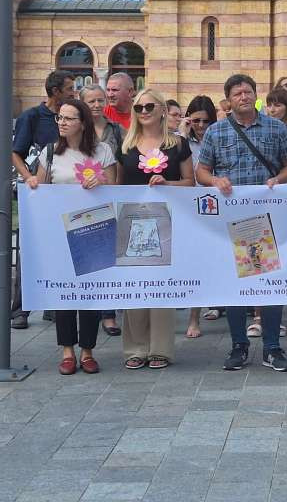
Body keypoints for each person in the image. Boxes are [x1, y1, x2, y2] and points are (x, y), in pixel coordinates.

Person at [197, 74, 287, 372]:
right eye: (238, 93)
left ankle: (271, 347)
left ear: (255, 95)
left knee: (269, 283)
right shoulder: (216, 132)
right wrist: (215, 180)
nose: (244, 96)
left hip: (268, 218)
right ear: (228, 100)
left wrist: (278, 179)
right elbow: (202, 171)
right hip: (231, 221)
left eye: (249, 91)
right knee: (234, 284)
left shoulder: (275, 127)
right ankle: (238, 345)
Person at [116, 89, 195, 369]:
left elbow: (190, 183)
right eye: (138, 108)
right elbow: (116, 186)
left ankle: (160, 348)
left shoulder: (179, 144)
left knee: (161, 285)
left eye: (149, 106)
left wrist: (167, 184)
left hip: (168, 224)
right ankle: (135, 348)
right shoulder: (125, 145)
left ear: (162, 109)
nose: (144, 111)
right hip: (132, 222)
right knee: (135, 285)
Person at [37, 98, 116, 374]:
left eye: (69, 118)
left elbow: (116, 185)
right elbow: (41, 191)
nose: (62, 122)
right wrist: (32, 183)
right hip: (60, 232)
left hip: (94, 231)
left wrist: (102, 181)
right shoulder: (49, 153)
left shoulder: (102, 151)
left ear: (82, 122)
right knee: (65, 293)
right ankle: (67, 349)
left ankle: (88, 349)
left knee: (90, 294)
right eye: (60, 118)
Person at [11, 69, 76, 329]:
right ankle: (20, 310)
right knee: (31, 251)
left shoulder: (71, 117)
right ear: (55, 91)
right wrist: (29, 179)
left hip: (65, 195)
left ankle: (54, 305)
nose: (74, 91)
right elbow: (16, 153)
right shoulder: (32, 117)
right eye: (70, 87)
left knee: (61, 250)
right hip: (40, 195)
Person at [80, 84, 125, 337]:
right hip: (80, 202)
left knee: (107, 257)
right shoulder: (76, 128)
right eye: (91, 101)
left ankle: (108, 315)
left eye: (100, 100)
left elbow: (125, 160)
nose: (96, 105)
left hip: (109, 196)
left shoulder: (115, 130)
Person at [180, 94, 219, 338]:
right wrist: (184, 135)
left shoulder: (218, 138)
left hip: (216, 203)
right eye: (196, 121)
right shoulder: (183, 142)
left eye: (206, 121)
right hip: (189, 206)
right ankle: (194, 317)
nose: (201, 126)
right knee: (195, 263)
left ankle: (220, 302)